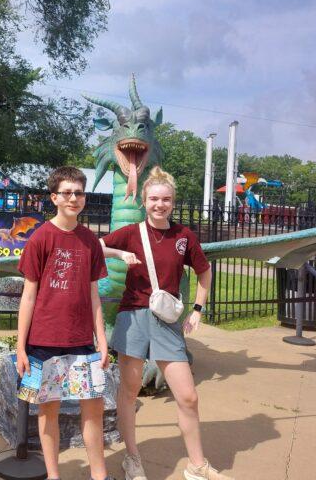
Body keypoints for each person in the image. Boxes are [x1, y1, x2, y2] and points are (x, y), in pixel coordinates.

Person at [100, 166, 233, 480]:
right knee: (130, 391)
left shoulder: (183, 236)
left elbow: (204, 271)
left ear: (173, 202)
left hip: (165, 320)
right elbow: (96, 247)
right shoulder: (132, 233)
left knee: (188, 395)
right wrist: (120, 255)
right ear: (144, 200)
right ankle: (132, 458)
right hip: (132, 316)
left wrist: (198, 308)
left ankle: (196, 465)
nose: (160, 205)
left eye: (167, 200)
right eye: (154, 199)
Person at [16, 166, 112, 480]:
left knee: (93, 410)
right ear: (54, 197)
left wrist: (102, 339)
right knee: (49, 411)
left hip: (83, 341)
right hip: (44, 342)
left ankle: (99, 474)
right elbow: (28, 296)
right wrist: (20, 347)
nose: (74, 198)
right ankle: (53, 475)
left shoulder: (90, 242)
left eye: (79, 192)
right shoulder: (41, 238)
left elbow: (94, 294)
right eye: (67, 192)